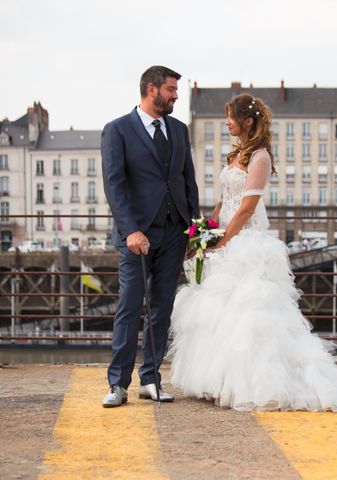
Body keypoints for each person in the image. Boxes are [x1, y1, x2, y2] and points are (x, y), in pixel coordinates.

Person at [169, 94, 337, 412]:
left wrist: (225, 240)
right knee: (219, 314)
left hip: (245, 242)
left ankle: (258, 384)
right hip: (225, 237)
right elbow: (224, 201)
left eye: (231, 117)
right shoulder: (234, 156)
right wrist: (207, 228)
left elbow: (247, 207)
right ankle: (219, 382)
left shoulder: (259, 157)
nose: (226, 122)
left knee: (251, 316)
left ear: (248, 122)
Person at [101, 66, 199, 407]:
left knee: (162, 310)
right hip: (136, 237)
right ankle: (118, 384)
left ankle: (151, 379)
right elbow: (114, 186)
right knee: (129, 307)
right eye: (171, 90)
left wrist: (192, 231)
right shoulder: (118, 131)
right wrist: (130, 230)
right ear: (151, 89)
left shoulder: (179, 129)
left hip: (174, 232)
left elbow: (188, 182)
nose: (175, 96)